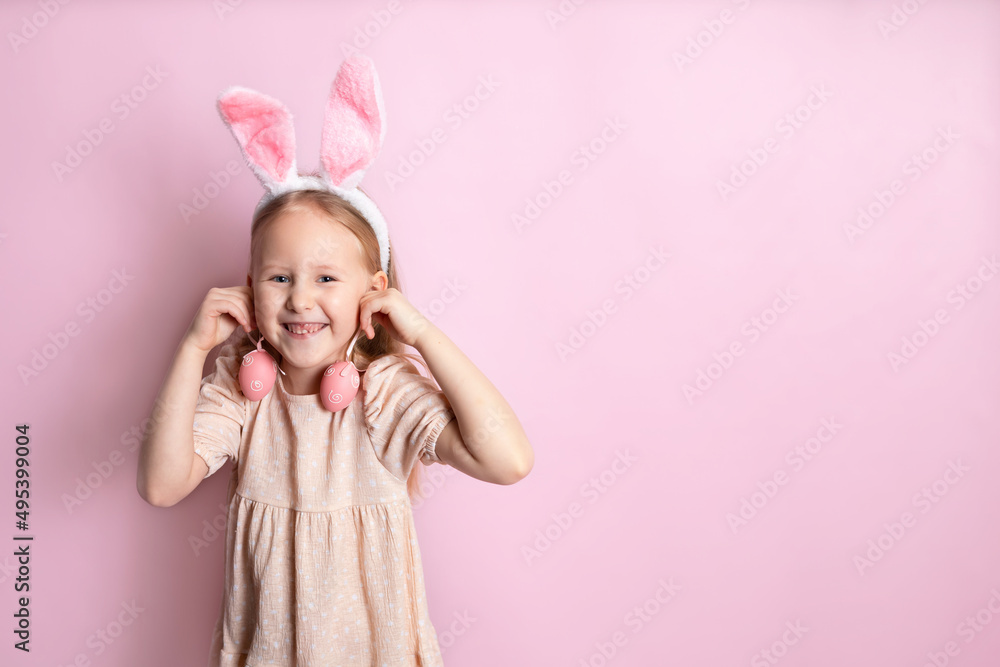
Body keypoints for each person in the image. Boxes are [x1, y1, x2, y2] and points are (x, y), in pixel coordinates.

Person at [136, 56, 533, 667]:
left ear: (371, 291)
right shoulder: (245, 392)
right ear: (249, 285)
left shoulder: (384, 392)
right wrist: (194, 348)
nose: (299, 299)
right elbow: (162, 485)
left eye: (326, 277)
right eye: (279, 277)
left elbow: (508, 461)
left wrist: (421, 333)